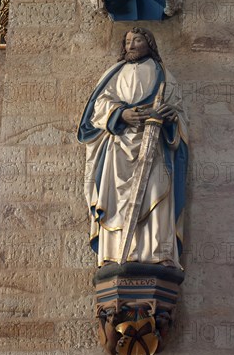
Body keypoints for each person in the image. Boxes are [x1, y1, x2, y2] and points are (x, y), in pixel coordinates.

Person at [78, 27, 188, 268]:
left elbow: (179, 114)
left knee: (157, 190)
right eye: (128, 41)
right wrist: (121, 113)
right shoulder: (114, 74)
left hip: (154, 145)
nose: (131, 45)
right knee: (115, 197)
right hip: (118, 147)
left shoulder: (166, 77)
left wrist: (172, 117)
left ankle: (158, 253)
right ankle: (115, 253)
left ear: (149, 43)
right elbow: (99, 107)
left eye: (137, 40)